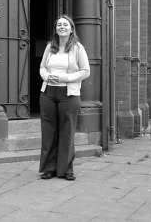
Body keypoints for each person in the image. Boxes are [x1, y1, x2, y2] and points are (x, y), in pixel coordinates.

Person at [39, 14, 90, 180]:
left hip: (69, 94)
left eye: (65, 25)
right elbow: (42, 67)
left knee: (67, 132)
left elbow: (85, 71)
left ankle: (66, 169)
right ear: (55, 28)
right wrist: (47, 77)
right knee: (48, 132)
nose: (62, 27)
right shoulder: (50, 46)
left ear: (71, 29)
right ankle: (49, 168)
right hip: (48, 93)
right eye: (59, 24)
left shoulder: (77, 48)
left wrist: (65, 78)